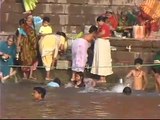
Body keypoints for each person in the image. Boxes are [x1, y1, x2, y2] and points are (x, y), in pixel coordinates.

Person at [91, 16, 113, 83]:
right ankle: (102, 78)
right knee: (102, 59)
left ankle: (102, 78)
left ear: (100, 21)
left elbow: (103, 33)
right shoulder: (103, 26)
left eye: (98, 22)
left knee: (101, 59)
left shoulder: (104, 26)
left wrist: (96, 36)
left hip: (102, 43)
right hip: (102, 43)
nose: (97, 23)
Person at [16, 15, 38, 80]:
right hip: (24, 46)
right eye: (28, 21)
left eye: (30, 21)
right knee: (24, 60)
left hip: (31, 46)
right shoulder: (22, 27)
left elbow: (34, 37)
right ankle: (24, 75)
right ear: (26, 21)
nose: (29, 22)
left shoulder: (33, 28)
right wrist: (17, 46)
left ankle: (30, 75)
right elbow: (19, 37)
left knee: (32, 60)